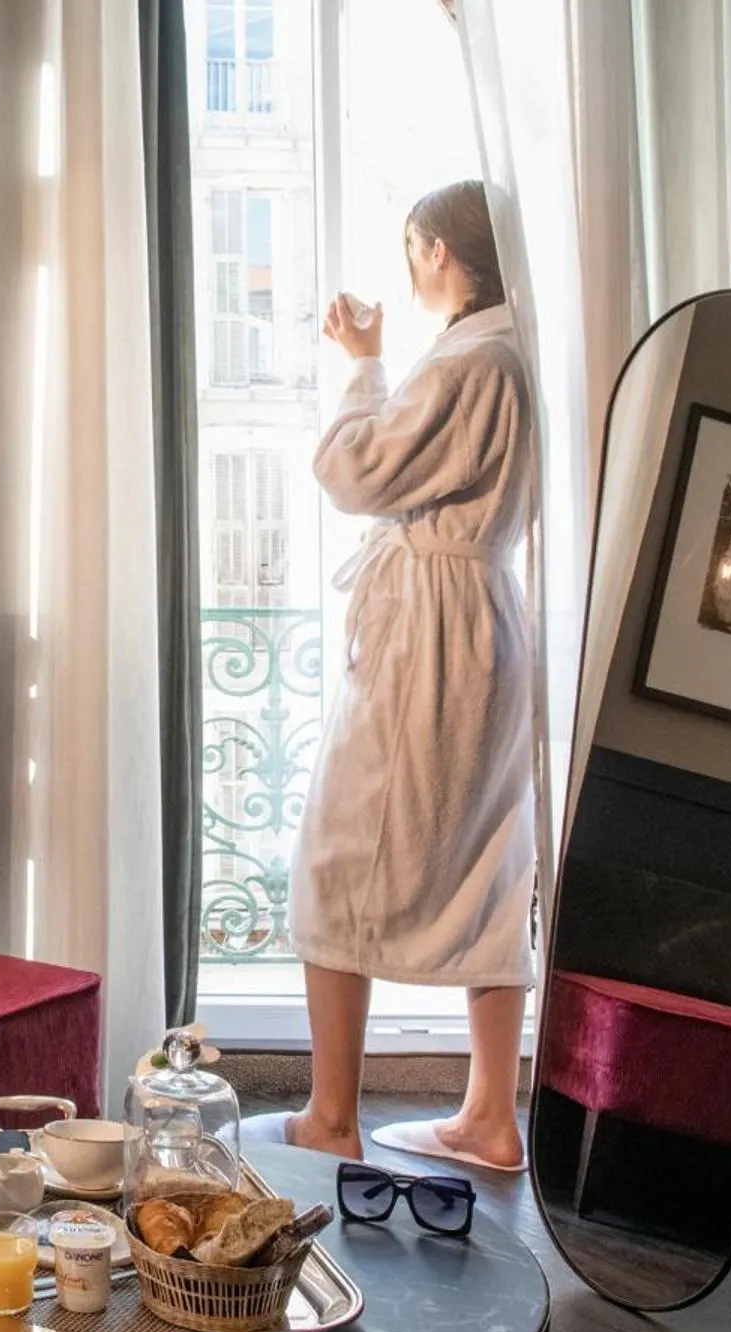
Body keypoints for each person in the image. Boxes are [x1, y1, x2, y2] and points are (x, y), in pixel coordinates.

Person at [279, 179, 537, 1170]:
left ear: (441, 252)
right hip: (487, 616)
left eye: (414, 246)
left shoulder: (469, 359)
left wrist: (363, 366)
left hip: (433, 628)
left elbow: (356, 473)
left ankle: (332, 1117)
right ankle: (488, 1116)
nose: (410, 264)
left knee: (341, 852)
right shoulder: (515, 354)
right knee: (489, 859)